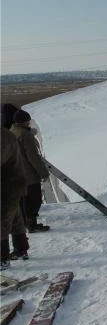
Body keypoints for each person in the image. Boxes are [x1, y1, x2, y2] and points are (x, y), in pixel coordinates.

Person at [11, 110, 51, 232]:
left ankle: (24, 223)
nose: (29, 122)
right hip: (28, 174)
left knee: (23, 199)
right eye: (28, 120)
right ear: (24, 121)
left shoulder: (12, 132)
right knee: (34, 199)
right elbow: (33, 157)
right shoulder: (25, 135)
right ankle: (32, 224)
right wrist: (43, 173)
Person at [1, 127, 29, 269]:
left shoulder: (2, 137)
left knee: (2, 221)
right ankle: (21, 249)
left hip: (6, 186)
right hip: (14, 183)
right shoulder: (6, 133)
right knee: (16, 219)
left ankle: (2, 259)